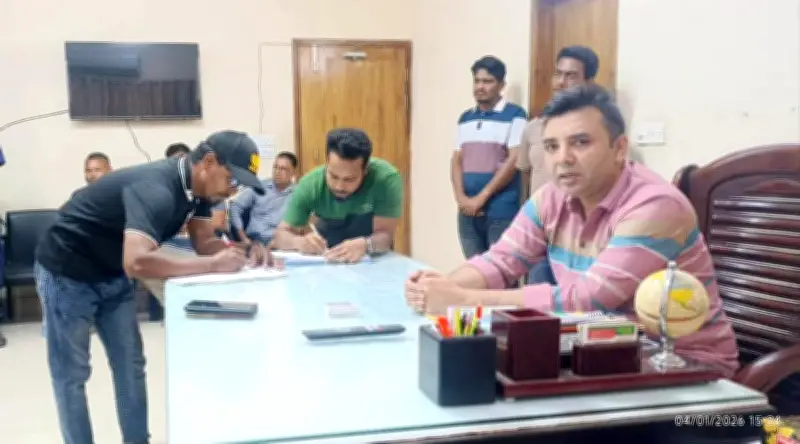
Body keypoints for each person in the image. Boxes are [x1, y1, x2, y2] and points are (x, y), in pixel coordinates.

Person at [404, 85, 739, 377]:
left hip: (685, 367)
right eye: (551, 146)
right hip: (600, 350)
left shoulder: (655, 205)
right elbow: (502, 260)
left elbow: (587, 299)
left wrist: (465, 301)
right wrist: (440, 287)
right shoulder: (551, 197)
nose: (563, 159)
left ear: (619, 148)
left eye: (580, 142)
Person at [34, 130, 272, 444]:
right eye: (231, 180)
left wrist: (244, 252)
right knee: (71, 374)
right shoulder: (157, 188)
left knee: (130, 365)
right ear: (208, 162)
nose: (232, 191)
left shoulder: (199, 192)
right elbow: (136, 262)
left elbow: (204, 242)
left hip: (112, 271)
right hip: (67, 270)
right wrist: (214, 264)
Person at [518, 45, 600, 285]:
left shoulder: (599, 131)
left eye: (571, 76)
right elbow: (525, 175)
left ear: (588, 82)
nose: (561, 82)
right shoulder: (534, 128)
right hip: (540, 232)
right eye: (558, 74)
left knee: (575, 301)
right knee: (536, 298)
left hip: (578, 237)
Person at [273, 128, 403, 263]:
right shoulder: (310, 184)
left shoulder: (385, 179)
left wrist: (365, 245)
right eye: (333, 176)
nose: (339, 186)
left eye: (349, 179)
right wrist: (299, 242)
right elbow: (280, 235)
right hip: (326, 256)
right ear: (327, 163)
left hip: (369, 258)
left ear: (365, 170)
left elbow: (385, 236)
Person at [452, 56, 527, 260]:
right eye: (477, 81)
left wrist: (482, 197)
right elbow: (457, 159)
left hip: (500, 209)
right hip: (468, 210)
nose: (480, 87)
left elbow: (514, 159)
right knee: (473, 267)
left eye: (487, 81)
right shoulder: (465, 118)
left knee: (500, 268)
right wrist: (461, 198)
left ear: (501, 85)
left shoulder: (515, 114)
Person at [229, 151, 297, 246]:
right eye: (275, 167)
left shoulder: (298, 194)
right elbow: (235, 206)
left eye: (283, 168)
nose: (277, 171)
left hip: (281, 242)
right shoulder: (259, 187)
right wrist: (243, 237)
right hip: (256, 239)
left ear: (293, 172)